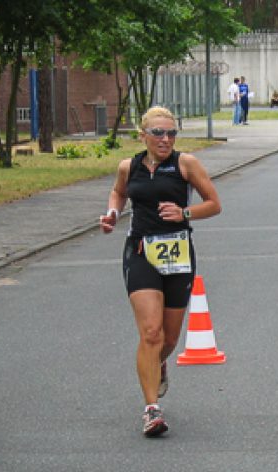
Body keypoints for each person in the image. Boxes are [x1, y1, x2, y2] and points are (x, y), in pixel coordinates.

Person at [99, 106, 222, 436]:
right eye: (158, 133)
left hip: (178, 256)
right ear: (143, 135)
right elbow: (119, 192)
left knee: (168, 339)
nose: (165, 139)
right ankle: (151, 409)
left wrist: (185, 212)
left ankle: (160, 362)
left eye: (171, 133)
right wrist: (112, 213)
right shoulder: (129, 166)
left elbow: (214, 203)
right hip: (140, 252)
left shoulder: (186, 164)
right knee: (150, 333)